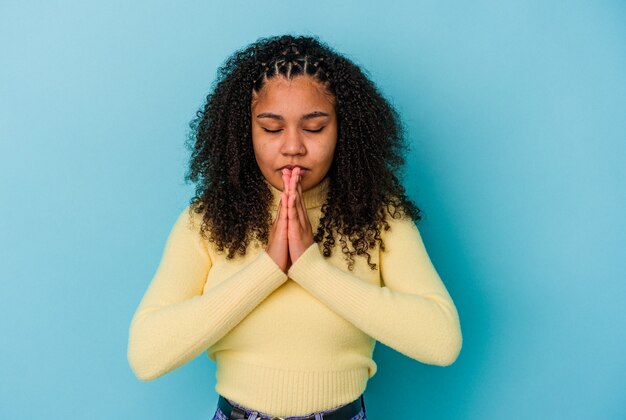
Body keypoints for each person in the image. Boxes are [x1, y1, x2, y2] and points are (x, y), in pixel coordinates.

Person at [127, 34, 462, 420]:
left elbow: (442, 341)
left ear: (343, 130)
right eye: (271, 128)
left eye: (314, 128)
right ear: (244, 132)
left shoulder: (379, 218)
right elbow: (146, 355)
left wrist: (310, 268)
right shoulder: (207, 221)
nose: (292, 147)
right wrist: (269, 269)